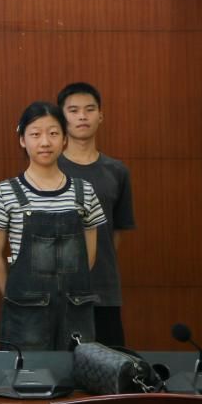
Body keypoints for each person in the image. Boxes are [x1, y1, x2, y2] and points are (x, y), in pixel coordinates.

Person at [0, 101, 105, 351]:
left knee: (77, 366)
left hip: (75, 306)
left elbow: (90, 254)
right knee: (28, 370)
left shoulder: (84, 191)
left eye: (53, 133)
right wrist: (14, 295)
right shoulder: (5, 191)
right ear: (22, 140)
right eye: (35, 134)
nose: (45, 142)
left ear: (64, 139)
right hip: (24, 310)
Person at [58, 82, 135, 347]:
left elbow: (116, 232)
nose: (82, 116)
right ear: (62, 117)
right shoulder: (50, 168)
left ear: (100, 116)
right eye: (74, 110)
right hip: (59, 292)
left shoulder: (117, 171)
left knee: (110, 363)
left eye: (89, 109)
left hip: (104, 290)